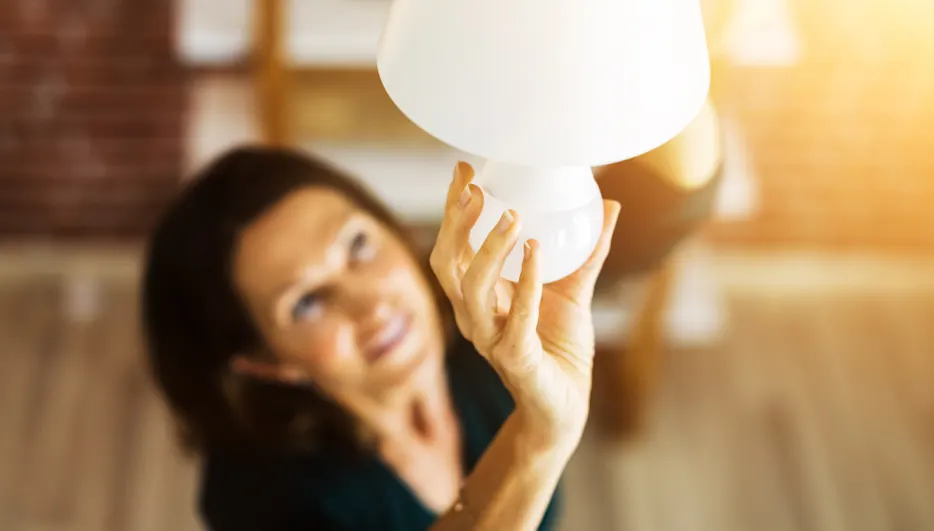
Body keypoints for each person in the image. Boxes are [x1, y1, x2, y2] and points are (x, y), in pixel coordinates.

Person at [140, 100, 721, 530]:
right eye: (308, 301)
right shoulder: (258, 498)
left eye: (359, 245)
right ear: (267, 364)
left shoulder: (474, 304)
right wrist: (541, 439)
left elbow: (661, 203)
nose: (373, 303)